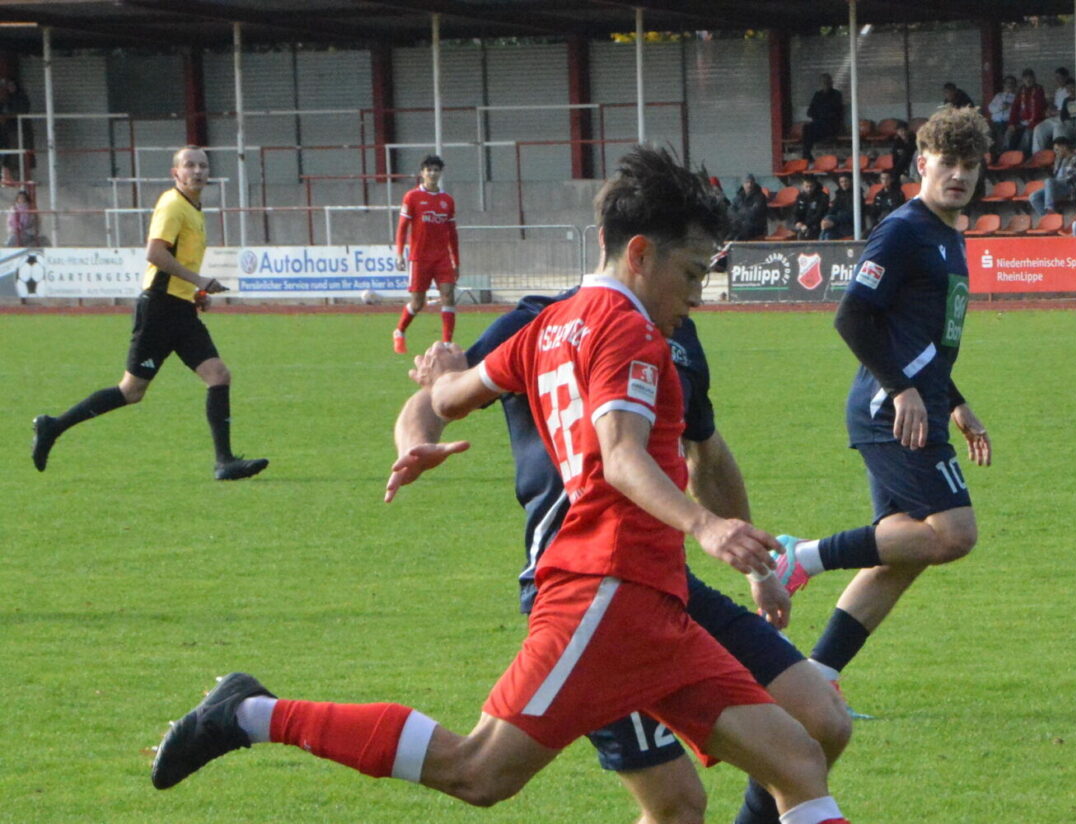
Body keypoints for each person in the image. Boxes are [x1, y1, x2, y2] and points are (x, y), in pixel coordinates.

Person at [150, 146, 853, 824]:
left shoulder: (548, 325)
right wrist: (707, 526)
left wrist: (442, 378)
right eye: (692, 274)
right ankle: (250, 714)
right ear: (638, 253)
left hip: (654, 604)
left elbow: (455, 395)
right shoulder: (628, 333)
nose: (697, 295)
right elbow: (619, 453)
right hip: (603, 591)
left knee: (798, 760)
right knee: (480, 770)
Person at [383, 296, 853, 824]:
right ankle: (270, 716)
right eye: (691, 267)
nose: (695, 288)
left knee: (822, 721)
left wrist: (759, 568)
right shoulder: (541, 322)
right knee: (675, 806)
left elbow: (708, 455)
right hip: (581, 588)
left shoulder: (676, 333)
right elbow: (435, 398)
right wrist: (416, 444)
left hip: (660, 580)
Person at [765, 106, 994, 705]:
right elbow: (852, 316)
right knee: (954, 534)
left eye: (970, 165)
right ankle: (801, 557)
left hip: (917, 405)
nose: (959, 175)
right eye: (948, 163)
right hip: (888, 411)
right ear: (923, 163)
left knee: (902, 552)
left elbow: (924, 337)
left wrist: (955, 402)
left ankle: (817, 680)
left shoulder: (947, 236)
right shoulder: (903, 230)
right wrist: (903, 391)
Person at [29, 146, 266, 481]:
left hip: (180, 308)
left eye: (202, 165)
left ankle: (224, 462)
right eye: (189, 165)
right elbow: (155, 253)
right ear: (176, 173)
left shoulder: (194, 209)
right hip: (159, 309)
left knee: (218, 375)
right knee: (131, 391)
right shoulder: (172, 204)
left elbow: (177, 262)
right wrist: (198, 280)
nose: (197, 171)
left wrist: (194, 293)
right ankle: (54, 426)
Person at [392, 154, 460, 354]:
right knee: (418, 302)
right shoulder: (412, 197)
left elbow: (452, 234)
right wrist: (399, 253)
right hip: (419, 258)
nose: (432, 173)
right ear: (422, 173)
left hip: (442, 259)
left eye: (436, 170)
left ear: (440, 173)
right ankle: (399, 331)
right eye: (428, 169)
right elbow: (402, 228)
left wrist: (456, 261)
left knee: (448, 296)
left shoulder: (447, 201)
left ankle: (447, 344)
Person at [1029, 136, 1076, 218]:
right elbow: (1056, 174)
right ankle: (1047, 218)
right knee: (1033, 197)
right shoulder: (1058, 159)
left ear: (1064, 147)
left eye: (1057, 149)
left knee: (1049, 181)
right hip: (1056, 187)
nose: (1056, 152)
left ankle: (1050, 208)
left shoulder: (1075, 158)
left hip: (1068, 187)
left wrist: (1054, 182)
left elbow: (1068, 177)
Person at [802, 74, 845, 162]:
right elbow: (810, 112)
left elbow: (835, 112)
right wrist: (820, 113)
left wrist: (821, 112)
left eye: (827, 82)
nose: (825, 84)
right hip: (818, 124)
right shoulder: (817, 95)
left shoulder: (836, 94)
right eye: (823, 82)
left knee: (817, 126)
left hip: (831, 126)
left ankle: (807, 156)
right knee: (807, 128)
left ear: (831, 83)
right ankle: (806, 155)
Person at [1004, 68, 1047, 155]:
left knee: (1027, 134)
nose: (1028, 80)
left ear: (1034, 78)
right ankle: (1006, 155)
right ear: (1023, 80)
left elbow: (1039, 109)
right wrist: (1012, 123)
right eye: (1026, 78)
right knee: (1009, 133)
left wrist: (1030, 123)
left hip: (1035, 121)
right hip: (1022, 122)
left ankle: (1021, 156)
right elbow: (1015, 108)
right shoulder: (1021, 90)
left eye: (1030, 77)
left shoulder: (1039, 89)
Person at [1030, 67, 1072, 153]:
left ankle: (1057, 156)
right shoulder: (1058, 91)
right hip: (1054, 117)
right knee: (1039, 128)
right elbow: (1056, 106)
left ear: (1066, 77)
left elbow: (1069, 110)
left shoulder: (1071, 89)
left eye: (1060, 78)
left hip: (1064, 118)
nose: (1058, 80)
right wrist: (1049, 110)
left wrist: (1056, 112)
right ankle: (1038, 155)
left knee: (1058, 128)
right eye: (1056, 78)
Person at [730, 174, 770, 241]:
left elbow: (754, 213)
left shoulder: (760, 197)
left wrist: (739, 212)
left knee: (741, 233)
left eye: (751, 182)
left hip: (756, 226)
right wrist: (738, 218)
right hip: (741, 223)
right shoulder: (739, 196)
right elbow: (731, 210)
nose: (749, 185)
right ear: (743, 184)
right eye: (747, 182)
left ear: (754, 183)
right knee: (730, 229)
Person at [820, 173, 857, 241]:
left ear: (851, 181)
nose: (844, 184)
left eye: (846, 181)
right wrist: (826, 220)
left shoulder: (856, 194)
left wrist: (834, 221)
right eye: (841, 182)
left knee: (828, 231)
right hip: (838, 225)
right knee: (827, 229)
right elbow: (833, 209)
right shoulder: (839, 194)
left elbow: (852, 214)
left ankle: (820, 247)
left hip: (849, 226)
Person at [985, 75, 1018, 151]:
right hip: (995, 122)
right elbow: (990, 108)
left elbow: (1017, 112)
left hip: (1007, 122)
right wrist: (1000, 107)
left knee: (1004, 135)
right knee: (987, 134)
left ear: (1015, 85)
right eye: (1007, 83)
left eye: (1012, 83)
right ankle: (989, 155)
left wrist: (1010, 106)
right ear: (1004, 84)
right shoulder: (999, 96)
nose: (1009, 85)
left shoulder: (1016, 97)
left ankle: (1002, 154)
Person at [792, 175, 830, 240]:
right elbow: (796, 211)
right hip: (804, 225)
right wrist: (797, 222)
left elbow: (819, 214)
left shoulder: (822, 197)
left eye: (811, 186)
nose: (809, 189)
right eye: (806, 186)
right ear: (803, 186)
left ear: (815, 186)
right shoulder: (801, 197)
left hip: (817, 225)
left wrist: (807, 225)